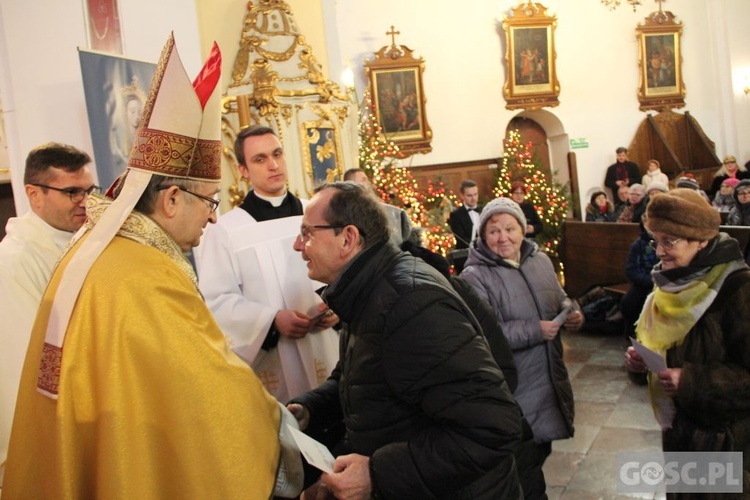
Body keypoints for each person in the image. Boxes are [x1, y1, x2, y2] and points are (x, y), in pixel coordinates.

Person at [2, 36, 291, 498]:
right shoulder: (146, 275)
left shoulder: (100, 251)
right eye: (210, 201)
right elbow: (210, 389)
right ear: (173, 198)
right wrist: (284, 430)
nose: (213, 216)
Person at [288, 182, 523, 499]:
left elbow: (493, 427)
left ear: (348, 239)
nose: (297, 245)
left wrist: (375, 474)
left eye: (307, 233)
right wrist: (311, 409)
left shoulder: (408, 304)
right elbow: (363, 375)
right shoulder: (369, 288)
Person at [196, 125, 339, 403]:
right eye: (260, 159)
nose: (273, 165)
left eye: (277, 154)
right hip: (273, 363)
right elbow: (217, 301)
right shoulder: (226, 230)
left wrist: (339, 308)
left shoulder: (321, 213)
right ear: (243, 171)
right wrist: (271, 321)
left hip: (329, 347)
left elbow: (344, 271)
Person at [624, 189, 750, 494]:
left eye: (670, 241)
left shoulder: (737, 289)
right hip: (683, 433)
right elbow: (670, 347)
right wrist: (644, 362)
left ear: (702, 240)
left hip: (728, 440)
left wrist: (691, 380)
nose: (659, 252)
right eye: (657, 240)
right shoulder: (670, 283)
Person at [461, 197, 582, 481]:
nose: (503, 238)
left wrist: (573, 313)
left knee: (541, 450)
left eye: (510, 229)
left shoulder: (539, 261)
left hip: (549, 373)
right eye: (494, 231)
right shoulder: (474, 276)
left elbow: (559, 299)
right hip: (514, 380)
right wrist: (534, 330)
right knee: (521, 462)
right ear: (483, 235)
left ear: (523, 229)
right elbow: (482, 333)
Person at [0, 143, 94, 483]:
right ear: (34, 194)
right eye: (72, 192)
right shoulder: (14, 263)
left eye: (88, 190)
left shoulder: (86, 242)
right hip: (51, 429)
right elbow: (26, 362)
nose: (86, 202)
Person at [343, 167, 411, 245]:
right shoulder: (345, 214)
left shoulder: (394, 213)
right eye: (364, 180)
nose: (368, 183)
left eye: (367, 179)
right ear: (351, 184)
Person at [621, 222, 659, 343]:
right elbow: (631, 269)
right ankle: (632, 334)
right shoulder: (638, 244)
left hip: (662, 282)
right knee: (628, 302)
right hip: (644, 282)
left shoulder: (664, 242)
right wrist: (647, 280)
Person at [448, 178, 482, 273]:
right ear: (462, 196)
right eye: (469, 195)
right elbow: (460, 238)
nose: (473, 198)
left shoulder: (484, 210)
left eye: (476, 194)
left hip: (484, 256)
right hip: (465, 257)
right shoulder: (456, 215)